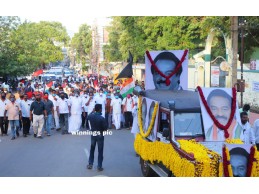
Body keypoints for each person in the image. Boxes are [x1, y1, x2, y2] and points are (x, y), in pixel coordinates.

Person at [87, 104, 107, 172]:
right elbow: (105, 129)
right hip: (100, 135)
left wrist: (92, 111)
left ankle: (90, 164)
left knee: (92, 149)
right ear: (100, 109)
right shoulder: (102, 118)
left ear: (94, 109)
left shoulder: (91, 116)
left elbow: (88, 117)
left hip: (93, 134)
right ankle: (99, 166)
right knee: (100, 151)